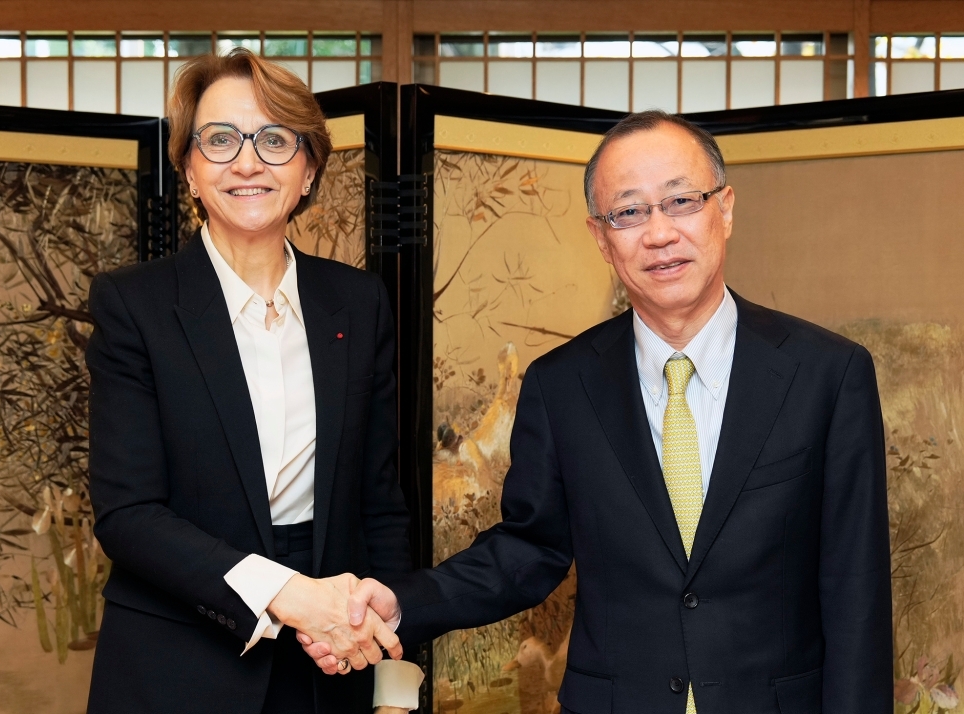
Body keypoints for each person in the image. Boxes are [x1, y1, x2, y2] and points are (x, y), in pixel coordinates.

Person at [327, 111, 894, 712]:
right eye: (628, 211)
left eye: (681, 201)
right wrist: (405, 603)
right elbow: (528, 550)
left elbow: (854, 586)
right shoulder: (561, 385)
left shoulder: (827, 374)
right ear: (601, 237)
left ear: (724, 208)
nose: (659, 233)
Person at [85, 48, 421, 714]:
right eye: (219, 140)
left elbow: (380, 503)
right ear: (187, 168)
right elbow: (127, 515)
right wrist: (290, 596)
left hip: (333, 652)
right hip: (179, 656)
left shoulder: (358, 302)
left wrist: (389, 667)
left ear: (309, 169)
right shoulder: (135, 305)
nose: (246, 163)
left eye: (274, 140)